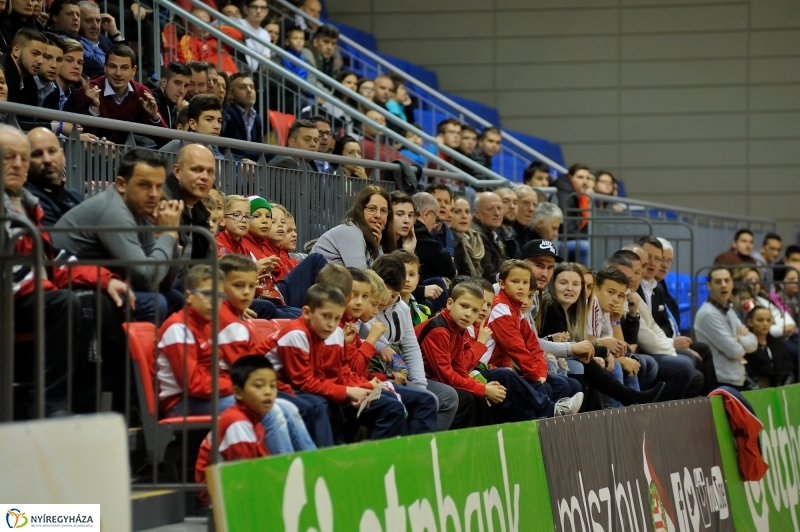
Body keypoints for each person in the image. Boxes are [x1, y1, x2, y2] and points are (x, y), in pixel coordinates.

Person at [2, 124, 125, 417]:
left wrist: (105, 280)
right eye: (9, 157)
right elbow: (11, 270)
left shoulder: (28, 204)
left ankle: (112, 402)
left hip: (27, 298)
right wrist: (48, 289)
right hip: (12, 298)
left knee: (109, 300)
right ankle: (51, 402)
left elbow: (53, 260)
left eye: (22, 157)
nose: (18, 164)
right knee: (67, 303)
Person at [157, 265, 316, 455]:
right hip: (182, 402)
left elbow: (216, 372)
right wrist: (241, 388)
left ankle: (312, 470)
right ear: (189, 296)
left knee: (289, 408)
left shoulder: (207, 325)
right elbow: (194, 383)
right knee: (270, 412)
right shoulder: (178, 329)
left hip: (210, 394)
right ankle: (284, 476)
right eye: (207, 294)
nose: (213, 303)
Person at [52, 149, 183, 323]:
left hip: (104, 283)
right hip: (72, 289)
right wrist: (168, 233)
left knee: (175, 297)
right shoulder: (113, 211)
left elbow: (163, 281)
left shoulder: (138, 210)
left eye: (158, 186)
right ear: (121, 184)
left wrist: (171, 233)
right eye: (144, 185)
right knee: (155, 303)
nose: (154, 194)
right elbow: (146, 278)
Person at [267, 283, 407, 442]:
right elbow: (305, 382)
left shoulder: (323, 333)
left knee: (339, 405)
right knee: (321, 405)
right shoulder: (297, 334)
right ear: (306, 312)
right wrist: (349, 391)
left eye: (335, 319)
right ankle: (323, 461)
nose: (331, 324)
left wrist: (357, 388)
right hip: (269, 385)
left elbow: (325, 375)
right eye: (326, 316)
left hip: (291, 385)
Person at [536, 263, 665, 407]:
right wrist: (604, 350)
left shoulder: (574, 309)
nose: (570, 288)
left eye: (576, 284)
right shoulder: (553, 306)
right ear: (553, 285)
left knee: (628, 361)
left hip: (564, 356)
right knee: (597, 363)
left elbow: (623, 348)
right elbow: (566, 347)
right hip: (548, 358)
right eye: (563, 283)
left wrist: (616, 322)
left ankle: (629, 400)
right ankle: (626, 402)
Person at [339, 268, 437, 434]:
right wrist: (371, 340)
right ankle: (391, 458)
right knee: (393, 406)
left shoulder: (351, 323)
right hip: (345, 389)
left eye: (364, 298)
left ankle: (415, 454)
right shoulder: (343, 327)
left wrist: (385, 378)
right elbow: (352, 370)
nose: (376, 311)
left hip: (361, 382)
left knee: (426, 399)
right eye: (374, 304)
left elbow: (355, 372)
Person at [369, 254, 459, 432]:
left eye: (394, 295)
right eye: (384, 293)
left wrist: (419, 385)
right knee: (427, 400)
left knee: (449, 397)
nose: (386, 300)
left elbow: (411, 347)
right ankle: (414, 450)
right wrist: (382, 348)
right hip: (375, 370)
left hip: (397, 369)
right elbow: (361, 340)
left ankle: (432, 446)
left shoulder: (402, 308)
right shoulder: (367, 305)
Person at [486, 260, 583, 402]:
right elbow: (517, 348)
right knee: (546, 388)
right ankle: (553, 413)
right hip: (494, 368)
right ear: (502, 284)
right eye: (515, 281)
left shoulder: (516, 311)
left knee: (569, 385)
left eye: (525, 283)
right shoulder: (500, 308)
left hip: (511, 369)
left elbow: (534, 346)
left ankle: (557, 414)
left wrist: (541, 373)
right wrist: (535, 376)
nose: (521, 287)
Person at [636, 236, 717, 394]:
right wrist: (671, 344)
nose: (655, 263)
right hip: (644, 347)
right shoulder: (634, 287)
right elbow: (643, 331)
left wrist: (671, 342)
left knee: (701, 352)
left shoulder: (657, 288)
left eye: (659, 259)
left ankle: (711, 400)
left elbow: (662, 324)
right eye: (649, 257)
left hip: (659, 341)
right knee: (689, 363)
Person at [194, 355, 274, 486]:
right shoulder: (238, 423)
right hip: (219, 497)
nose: (268, 392)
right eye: (259, 386)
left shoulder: (253, 420)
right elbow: (246, 477)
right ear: (237, 393)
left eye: (272, 386)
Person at [75, 44, 168, 145]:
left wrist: (155, 116)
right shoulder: (90, 90)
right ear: (105, 67)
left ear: (133, 70)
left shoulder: (142, 93)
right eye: (113, 66)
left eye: (124, 68)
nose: (118, 73)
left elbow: (166, 142)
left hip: (130, 156)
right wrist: (94, 109)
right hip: (97, 154)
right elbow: (83, 138)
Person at [695, 267, 759, 390]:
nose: (723, 285)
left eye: (727, 281)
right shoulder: (708, 313)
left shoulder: (729, 311)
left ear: (732, 283)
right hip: (720, 380)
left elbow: (754, 343)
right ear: (709, 286)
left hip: (737, 378)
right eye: (718, 282)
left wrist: (738, 339)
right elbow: (735, 351)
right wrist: (742, 338)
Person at [311, 185, 395, 268]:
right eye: (372, 209)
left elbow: (384, 275)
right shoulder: (351, 232)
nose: (378, 215)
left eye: (383, 210)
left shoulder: (368, 236)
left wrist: (377, 248)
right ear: (360, 210)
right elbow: (361, 277)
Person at [163, 144, 215, 260]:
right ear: (177, 171)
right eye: (197, 169)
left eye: (210, 171)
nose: (205, 177)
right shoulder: (161, 204)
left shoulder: (201, 214)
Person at [23, 127, 82, 226]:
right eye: (37, 154)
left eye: (52, 151)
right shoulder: (29, 200)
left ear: (62, 155)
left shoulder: (73, 195)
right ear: (26, 161)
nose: (47, 160)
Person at [410, 192, 455, 311]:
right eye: (435, 219)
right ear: (427, 214)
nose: (434, 226)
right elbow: (446, 264)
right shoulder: (418, 229)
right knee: (437, 283)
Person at [745, 306, 795, 388]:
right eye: (760, 320)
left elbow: (789, 370)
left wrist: (785, 387)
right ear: (750, 322)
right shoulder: (745, 346)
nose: (765, 323)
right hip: (756, 392)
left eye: (768, 320)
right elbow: (745, 375)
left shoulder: (779, 345)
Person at [76, 1, 125, 79]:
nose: (95, 26)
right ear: (78, 21)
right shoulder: (76, 43)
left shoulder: (104, 41)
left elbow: (125, 60)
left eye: (98, 21)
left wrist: (115, 33)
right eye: (89, 21)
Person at [220, 72, 264, 161]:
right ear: (231, 94)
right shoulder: (228, 113)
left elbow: (259, 145)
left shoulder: (256, 117)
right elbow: (235, 149)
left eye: (252, 87)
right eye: (242, 87)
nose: (249, 90)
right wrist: (264, 154)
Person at [553, 163, 590, 261]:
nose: (585, 182)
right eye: (580, 177)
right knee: (586, 246)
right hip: (559, 240)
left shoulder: (580, 195)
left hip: (572, 238)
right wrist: (586, 236)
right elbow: (566, 227)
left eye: (587, 178)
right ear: (571, 177)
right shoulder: (564, 195)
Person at [2, 27, 48, 105]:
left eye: (44, 56)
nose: (41, 61)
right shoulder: (2, 77)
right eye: (35, 54)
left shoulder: (30, 81)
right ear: (16, 50)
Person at [471, 191, 506, 282]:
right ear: (476, 212)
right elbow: (488, 274)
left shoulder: (492, 233)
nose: (497, 213)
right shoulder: (477, 235)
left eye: (499, 208)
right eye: (490, 209)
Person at [300, 24, 341, 93]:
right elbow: (311, 83)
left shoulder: (332, 61)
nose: (329, 47)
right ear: (315, 42)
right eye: (326, 42)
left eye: (333, 44)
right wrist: (331, 98)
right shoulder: (307, 53)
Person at [450, 196, 484, 278]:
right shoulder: (451, 241)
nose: (464, 216)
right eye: (457, 212)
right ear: (449, 215)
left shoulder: (475, 238)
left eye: (467, 211)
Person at [235, 0, 272, 71]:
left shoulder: (265, 34)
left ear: (266, 11)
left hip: (252, 74)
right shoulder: (238, 24)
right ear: (246, 9)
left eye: (262, 7)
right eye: (254, 7)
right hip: (236, 68)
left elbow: (266, 58)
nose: (259, 11)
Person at [153, 62, 191, 130]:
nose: (182, 91)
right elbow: (166, 138)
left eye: (186, 86)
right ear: (164, 82)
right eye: (177, 83)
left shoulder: (180, 102)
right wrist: (181, 114)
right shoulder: (153, 102)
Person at [422, 183, 456, 258]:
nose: (443, 205)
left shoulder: (456, 239)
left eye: (447, 202)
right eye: (438, 201)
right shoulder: (417, 234)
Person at [511, 184, 541, 250]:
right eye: (526, 202)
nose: (531, 209)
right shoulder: (506, 233)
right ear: (514, 204)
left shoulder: (533, 235)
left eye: (534, 204)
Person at [493, 187, 520, 259]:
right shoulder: (492, 233)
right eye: (505, 201)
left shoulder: (515, 233)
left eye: (515, 203)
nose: (512, 206)